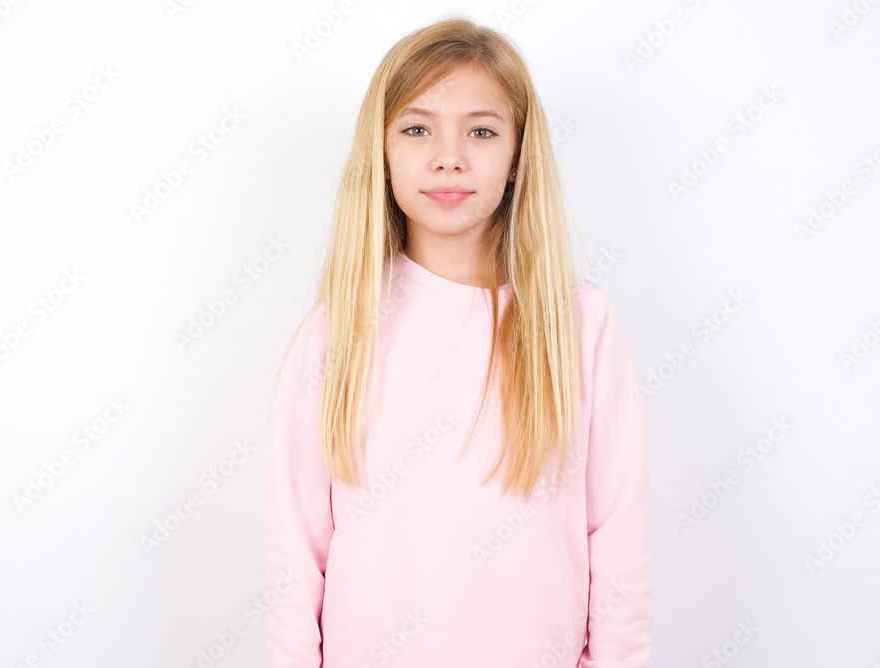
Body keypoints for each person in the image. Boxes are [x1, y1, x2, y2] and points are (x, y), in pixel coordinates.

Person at [265, 15, 652, 668]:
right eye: (418, 129)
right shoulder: (340, 330)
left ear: (517, 157)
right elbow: (295, 554)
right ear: (382, 154)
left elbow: (618, 541)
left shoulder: (580, 323)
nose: (449, 157)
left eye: (481, 131)